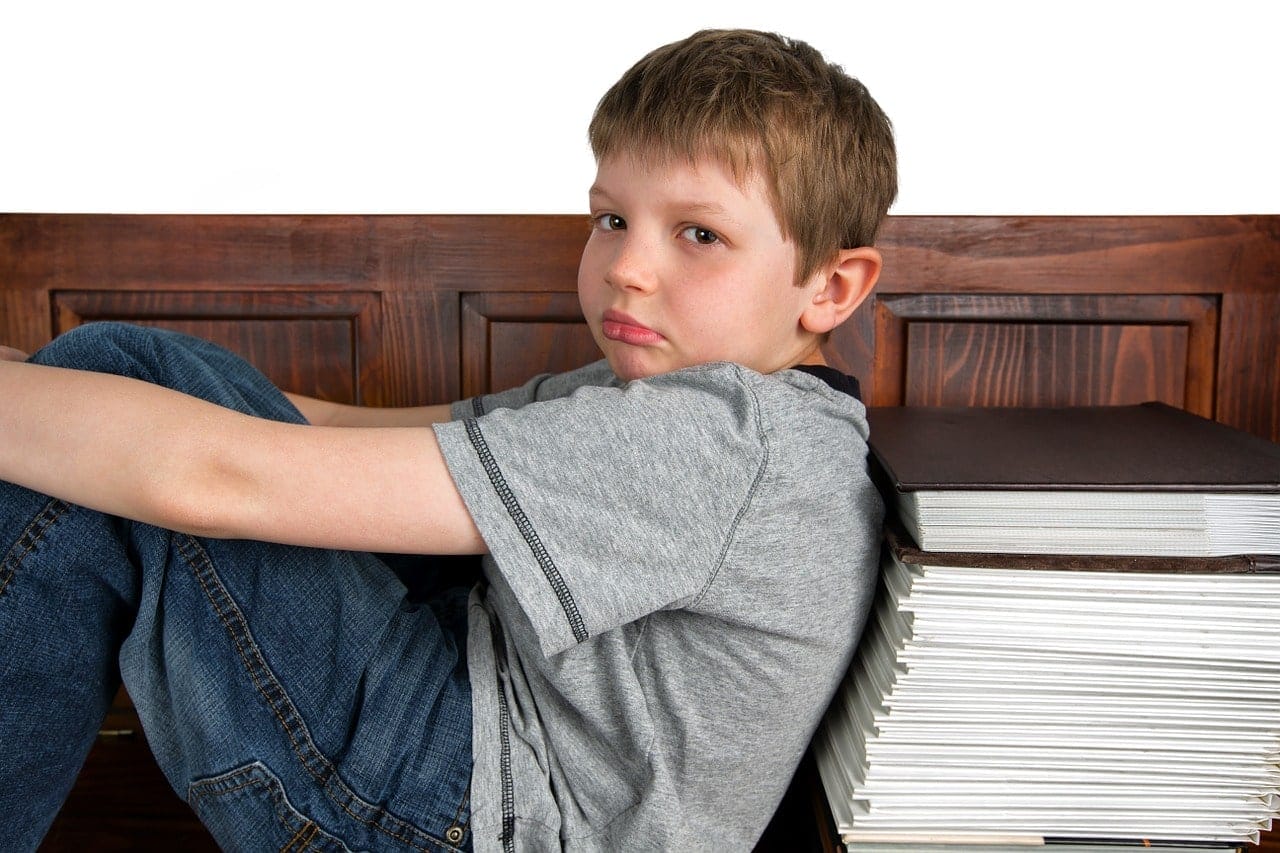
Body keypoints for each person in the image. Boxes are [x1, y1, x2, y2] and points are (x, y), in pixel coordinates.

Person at [0, 27, 896, 851]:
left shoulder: (723, 440)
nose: (626, 266)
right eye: (612, 218)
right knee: (114, 378)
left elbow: (222, 478)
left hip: (476, 814)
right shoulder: (691, 399)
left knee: (110, 407)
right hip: (469, 731)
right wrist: (45, 382)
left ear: (831, 285)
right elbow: (384, 435)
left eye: (699, 233)